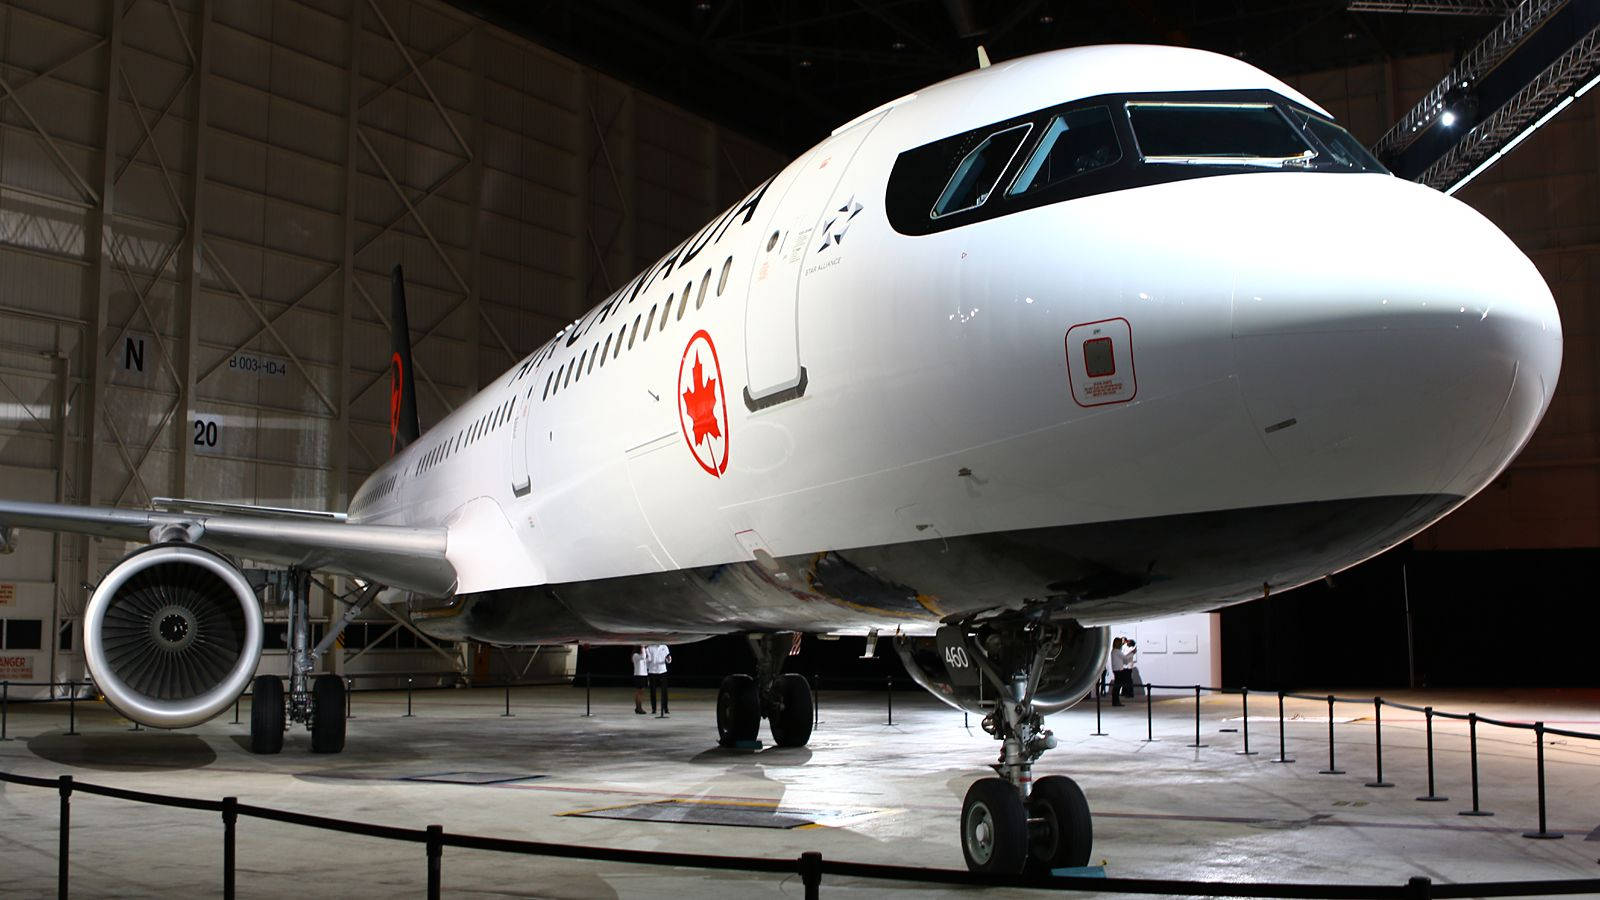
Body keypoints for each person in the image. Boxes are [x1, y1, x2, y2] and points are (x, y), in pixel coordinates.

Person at [646, 643, 671, 716]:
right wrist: (647, 670)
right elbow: (648, 660)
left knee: (664, 691)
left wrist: (669, 659)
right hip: (652, 671)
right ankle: (654, 709)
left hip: (662, 671)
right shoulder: (649, 647)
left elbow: (668, 659)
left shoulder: (664, 647)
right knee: (652, 691)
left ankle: (665, 709)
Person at [1108, 636, 1128, 706]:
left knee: (1116, 686)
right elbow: (1125, 658)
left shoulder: (1113, 651)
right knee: (1117, 686)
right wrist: (1131, 653)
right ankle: (1116, 701)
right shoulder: (1118, 651)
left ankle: (1115, 701)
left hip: (1116, 670)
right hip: (1119, 670)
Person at [631, 645, 649, 714]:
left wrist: (645, 650)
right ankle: (639, 708)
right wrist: (643, 648)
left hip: (643, 675)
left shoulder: (641, 655)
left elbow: (647, 659)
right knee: (639, 692)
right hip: (639, 675)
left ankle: (638, 708)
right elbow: (643, 657)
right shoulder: (635, 655)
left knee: (641, 692)